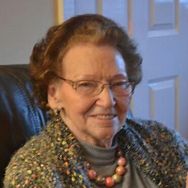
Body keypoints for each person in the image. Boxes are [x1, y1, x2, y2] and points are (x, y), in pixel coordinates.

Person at [3, 14, 188, 188]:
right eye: (86, 85)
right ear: (53, 94)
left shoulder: (161, 139)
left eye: (119, 83)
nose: (107, 101)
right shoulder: (32, 172)